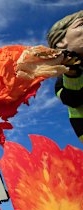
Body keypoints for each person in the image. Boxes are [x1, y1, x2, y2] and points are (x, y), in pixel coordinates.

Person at [47, 10, 83, 144]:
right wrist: (72, 73)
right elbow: (72, 99)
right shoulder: (63, 79)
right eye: (81, 24)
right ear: (61, 43)